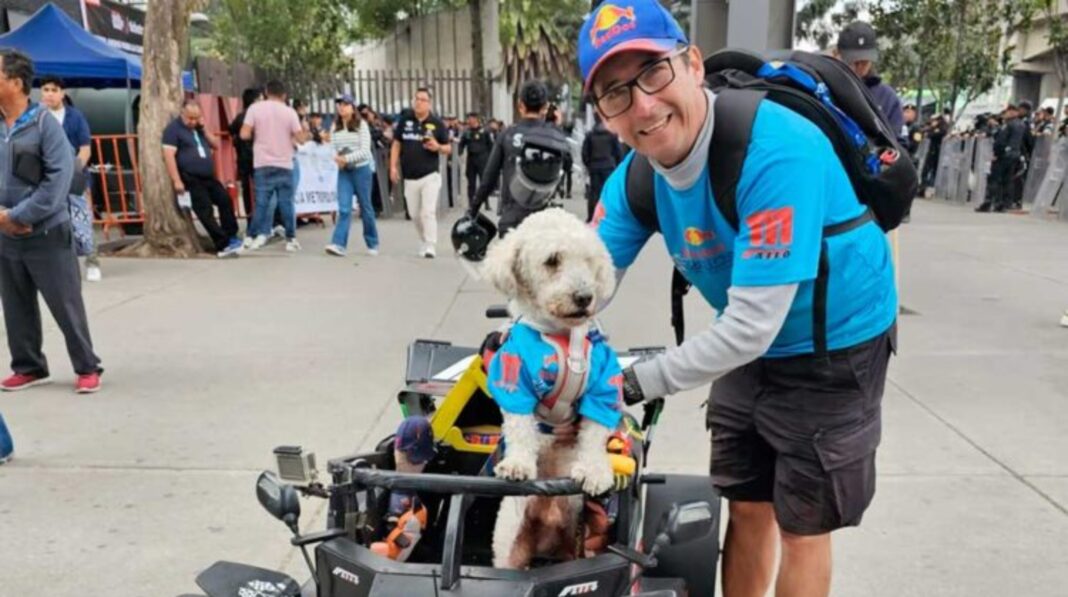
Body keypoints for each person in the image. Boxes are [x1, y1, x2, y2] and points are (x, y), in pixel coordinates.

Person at [577, 2, 897, 595]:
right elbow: (579, 283)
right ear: (603, 115)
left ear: (692, 63)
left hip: (835, 340)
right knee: (747, 502)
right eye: (615, 93)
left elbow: (752, 328)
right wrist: (532, 341)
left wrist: (630, 382)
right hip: (748, 336)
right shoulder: (635, 177)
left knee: (803, 522)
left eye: (653, 72)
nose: (643, 105)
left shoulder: (777, 149)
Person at [0, 49, 103, 394]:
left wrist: (19, 215)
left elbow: (58, 181)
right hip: (5, 233)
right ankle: (29, 366)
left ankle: (87, 366)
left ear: (15, 83)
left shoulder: (44, 124)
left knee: (65, 302)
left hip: (46, 230)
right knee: (15, 305)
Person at [468, 80, 570, 237]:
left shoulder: (507, 135)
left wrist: (473, 210)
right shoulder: (553, 136)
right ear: (545, 107)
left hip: (511, 216)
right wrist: (556, 128)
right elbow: (567, 166)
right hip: (543, 220)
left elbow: (489, 178)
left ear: (520, 105)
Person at [38, 75, 102, 283]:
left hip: (74, 176)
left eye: (53, 90)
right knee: (48, 222)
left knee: (81, 218)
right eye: (46, 89)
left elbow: (85, 149)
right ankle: (54, 265)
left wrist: (73, 169)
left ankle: (92, 261)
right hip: (45, 179)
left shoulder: (75, 117)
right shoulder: (35, 116)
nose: (49, 94)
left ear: (62, 93)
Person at [162, 100, 243, 257]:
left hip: (208, 176)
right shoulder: (173, 130)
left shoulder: (198, 129)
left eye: (196, 118)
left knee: (224, 199)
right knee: (205, 210)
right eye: (189, 118)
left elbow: (215, 144)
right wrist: (177, 180)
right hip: (190, 177)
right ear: (182, 114)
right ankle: (222, 243)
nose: (192, 121)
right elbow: (169, 156)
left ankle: (231, 234)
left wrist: (204, 127)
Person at [240, 79, 306, 252]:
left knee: (261, 203)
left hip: (262, 163)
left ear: (266, 93)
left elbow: (244, 134)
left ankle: (250, 236)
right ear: (284, 95)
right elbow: (301, 139)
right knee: (287, 203)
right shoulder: (290, 112)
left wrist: (259, 133)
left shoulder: (254, 109)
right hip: (285, 163)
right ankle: (291, 239)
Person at [389, 87, 451, 258]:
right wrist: (393, 167)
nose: (418, 102)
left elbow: (448, 148)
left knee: (427, 211)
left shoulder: (437, 123)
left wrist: (437, 146)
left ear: (429, 103)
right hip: (410, 176)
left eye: (422, 99)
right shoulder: (405, 120)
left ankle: (431, 244)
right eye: (416, 99)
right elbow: (396, 144)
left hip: (430, 175)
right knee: (415, 214)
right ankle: (424, 239)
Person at [325, 94, 378, 258]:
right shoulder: (335, 126)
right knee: (344, 208)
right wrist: (337, 159)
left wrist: (346, 158)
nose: (342, 107)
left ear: (352, 107)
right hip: (344, 172)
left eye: (345, 104)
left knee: (366, 207)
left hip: (361, 170)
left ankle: (372, 241)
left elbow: (365, 150)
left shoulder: (361, 125)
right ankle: (339, 243)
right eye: (339, 104)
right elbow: (332, 147)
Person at [835, 21, 904, 139]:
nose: (860, 67)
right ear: (837, 55)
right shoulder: (825, 87)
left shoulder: (887, 97)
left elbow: (897, 144)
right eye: (854, 61)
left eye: (865, 61)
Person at [976, 104, 1025, 213]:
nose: (1004, 115)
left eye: (1006, 112)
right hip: (1014, 154)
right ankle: (1003, 204)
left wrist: (997, 153)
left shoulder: (1009, 125)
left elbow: (1001, 141)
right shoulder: (1021, 125)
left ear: (1012, 112)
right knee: (1007, 180)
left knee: (994, 179)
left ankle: (988, 202)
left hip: (1003, 155)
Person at [581, 114, 623, 221]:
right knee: (609, 192)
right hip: (609, 166)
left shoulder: (590, 135)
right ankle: (608, 216)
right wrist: (617, 165)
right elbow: (618, 152)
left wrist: (589, 164)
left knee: (594, 193)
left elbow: (585, 153)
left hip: (594, 167)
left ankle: (591, 216)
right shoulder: (612, 135)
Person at [230, 87, 261, 220]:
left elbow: (231, 129)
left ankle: (252, 221)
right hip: (254, 159)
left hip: (245, 160)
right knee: (260, 192)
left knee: (249, 192)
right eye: (260, 98)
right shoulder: (253, 116)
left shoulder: (240, 117)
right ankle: (260, 223)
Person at [459, 112, 493, 210]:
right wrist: (459, 152)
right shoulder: (467, 132)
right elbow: (462, 144)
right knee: (471, 182)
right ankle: (471, 203)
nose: (470, 120)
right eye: (469, 118)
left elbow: (490, 146)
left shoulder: (485, 131)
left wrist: (491, 159)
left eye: (472, 118)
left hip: (483, 159)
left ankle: (486, 203)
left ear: (476, 119)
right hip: (471, 159)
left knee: (484, 182)